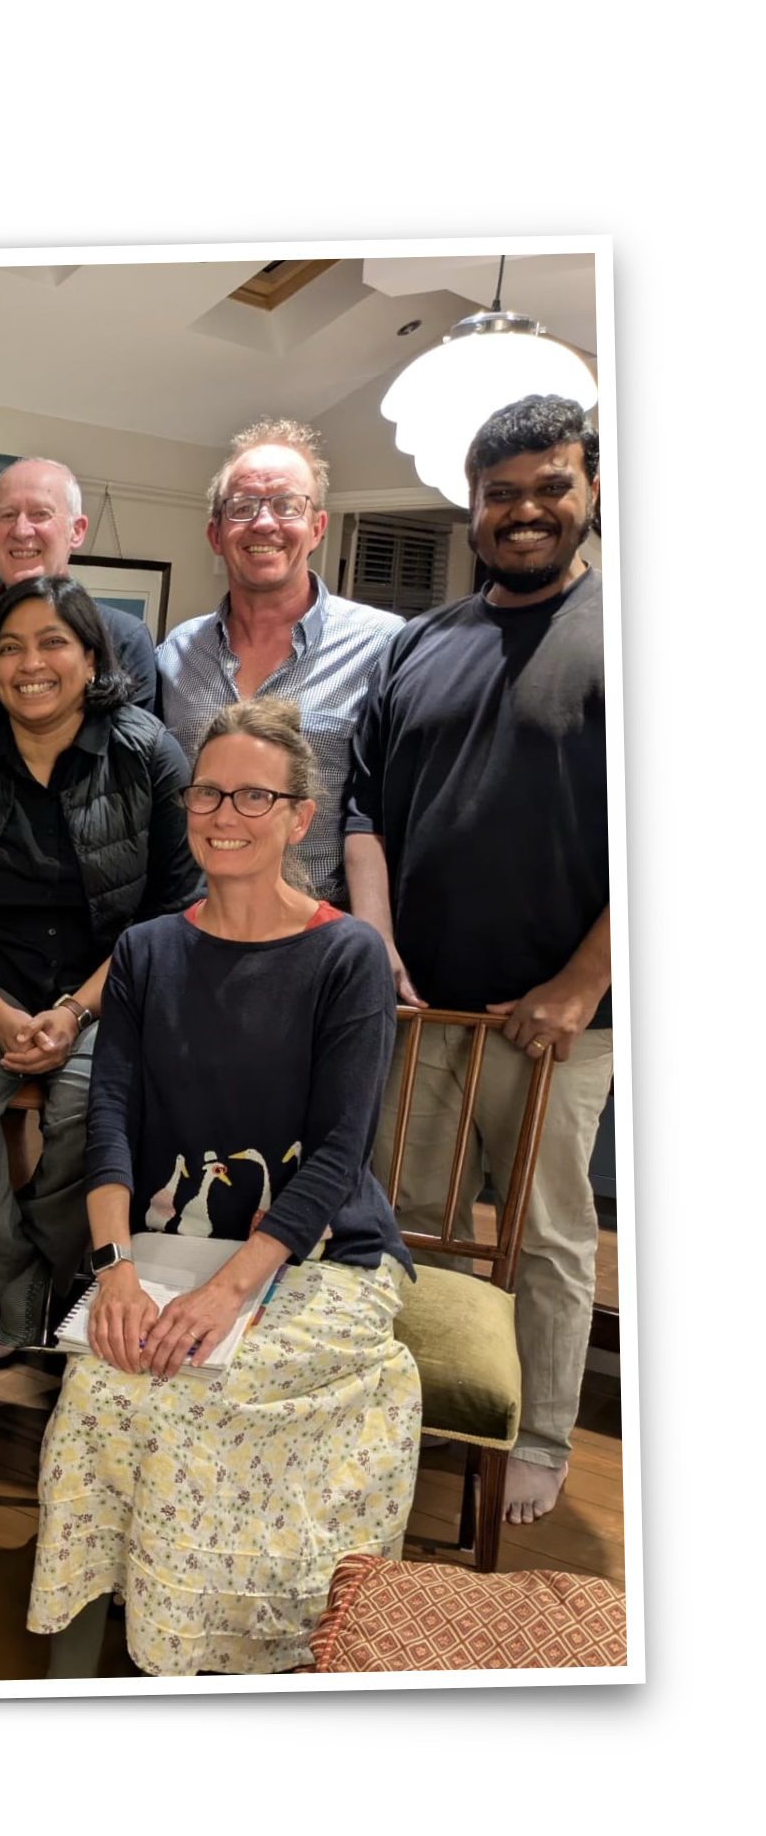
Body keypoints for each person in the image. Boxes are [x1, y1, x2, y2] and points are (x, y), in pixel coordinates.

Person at [28, 698, 421, 1677]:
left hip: (319, 1251)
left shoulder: (345, 954)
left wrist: (222, 1293)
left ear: (297, 816)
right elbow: (108, 1119)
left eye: (253, 794)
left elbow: (336, 1152)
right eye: (206, 790)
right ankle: (79, 1644)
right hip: (169, 1249)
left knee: (193, 1392)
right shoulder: (147, 951)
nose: (222, 812)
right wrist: (112, 1272)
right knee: (95, 1381)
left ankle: (223, 1645)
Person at [344, 393, 613, 1527]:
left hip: (552, 1022)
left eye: (548, 485)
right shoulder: (422, 641)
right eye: (499, 492)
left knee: (544, 1236)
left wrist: (578, 985)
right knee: (399, 1217)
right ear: (470, 503)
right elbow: (363, 808)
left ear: (588, 490)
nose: (523, 511)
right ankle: (399, 1408)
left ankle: (537, 1435)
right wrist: (374, 944)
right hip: (419, 1010)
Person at [0, 575, 199, 1354]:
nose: (31, 662)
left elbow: (173, 912)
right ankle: (11, 1270)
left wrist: (75, 1012)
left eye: (53, 641)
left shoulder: (150, 754)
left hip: (110, 988)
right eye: (10, 646)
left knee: (91, 1111)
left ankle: (63, 1272)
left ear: (91, 658)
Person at [154, 417, 401, 904]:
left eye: (287, 505)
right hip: (189, 925)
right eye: (243, 508)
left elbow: (395, 813)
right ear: (216, 533)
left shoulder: (383, 647)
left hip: (322, 936)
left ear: (317, 527)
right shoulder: (175, 655)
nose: (264, 523)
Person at [0, 457, 158, 750]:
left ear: (77, 531)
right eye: (7, 515)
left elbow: (134, 766)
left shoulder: (124, 640)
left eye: (40, 514)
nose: (21, 530)